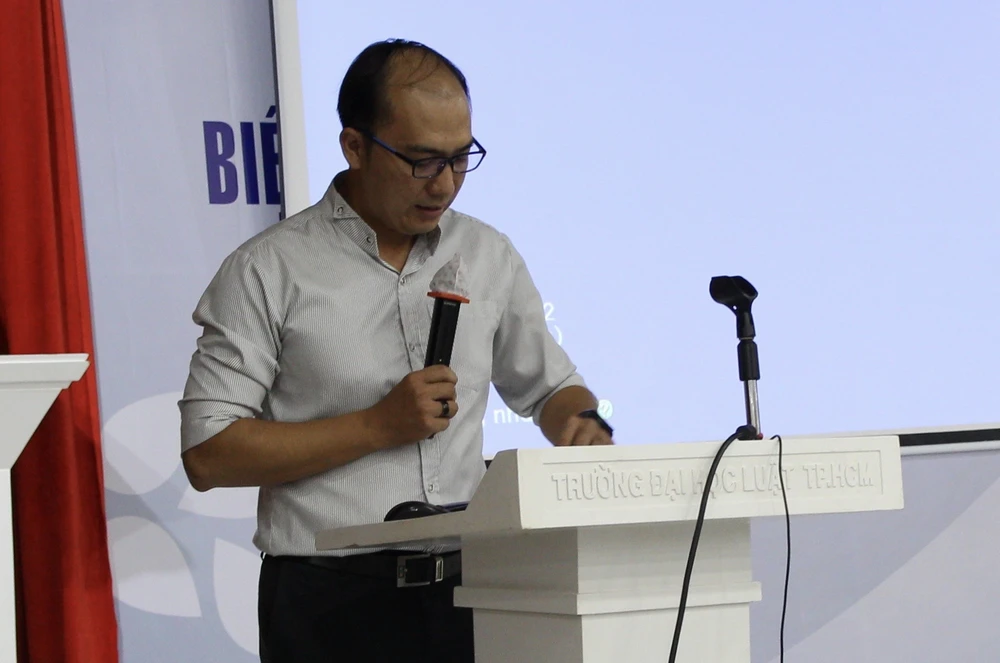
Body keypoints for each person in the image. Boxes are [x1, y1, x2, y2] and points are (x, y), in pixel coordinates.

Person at [179, 39, 613, 663]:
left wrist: (581, 422)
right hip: (329, 605)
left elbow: (551, 389)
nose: (445, 184)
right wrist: (377, 426)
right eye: (421, 161)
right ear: (354, 146)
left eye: (460, 158)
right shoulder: (268, 269)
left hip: (476, 590)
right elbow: (209, 453)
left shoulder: (487, 254)